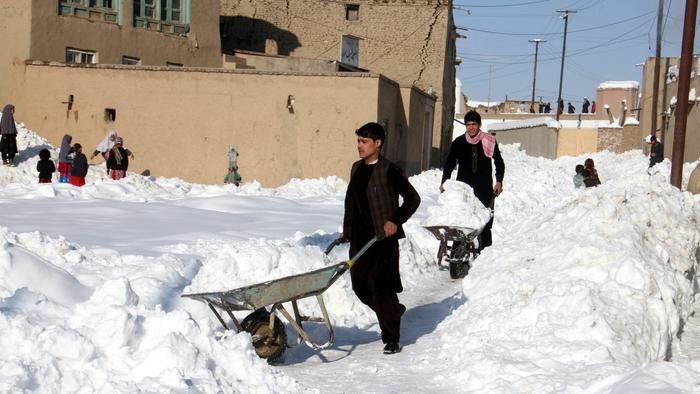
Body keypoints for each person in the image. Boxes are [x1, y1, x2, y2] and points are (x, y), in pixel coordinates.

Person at [341, 122, 420, 355]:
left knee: (381, 288)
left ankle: (392, 337)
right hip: (360, 240)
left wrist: (395, 220)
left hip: (383, 240)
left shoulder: (389, 170)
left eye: (364, 141)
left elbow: (413, 199)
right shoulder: (356, 168)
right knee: (360, 286)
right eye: (358, 141)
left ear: (378, 143)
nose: (360, 146)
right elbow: (350, 202)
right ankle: (393, 311)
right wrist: (348, 230)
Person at [440, 110, 505, 249]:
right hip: (464, 189)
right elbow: (449, 163)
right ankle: (458, 254)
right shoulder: (459, 142)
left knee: (485, 225)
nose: (471, 127)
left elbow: (499, 162)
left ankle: (486, 255)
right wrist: (444, 181)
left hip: (484, 189)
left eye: (474, 124)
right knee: (462, 224)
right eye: (468, 124)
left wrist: (499, 181)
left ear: (479, 125)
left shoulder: (489, 141)